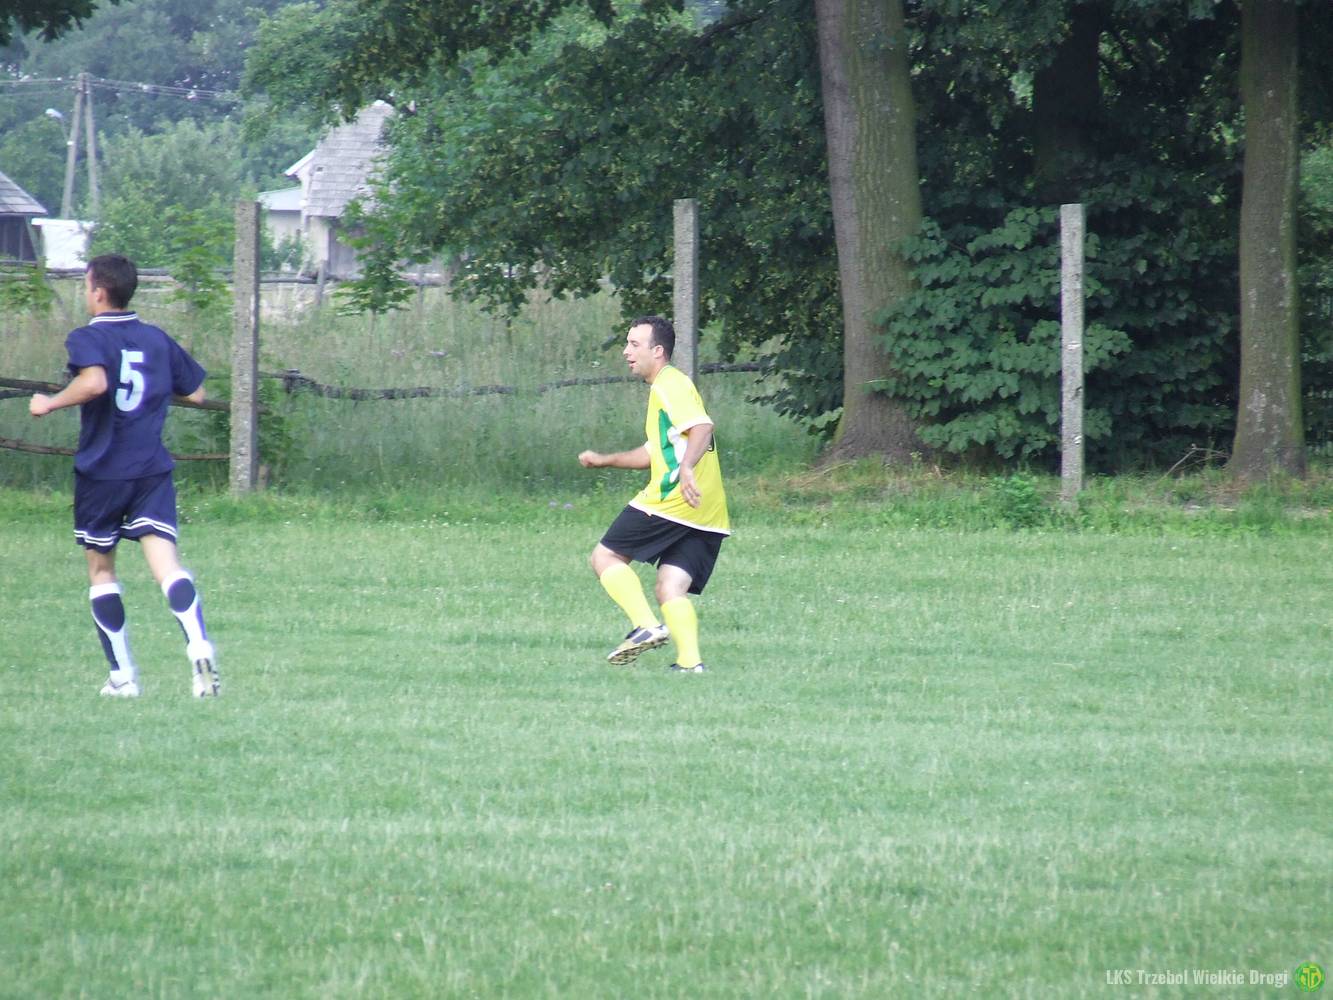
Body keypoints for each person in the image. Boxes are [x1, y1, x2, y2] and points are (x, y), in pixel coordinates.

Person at [29, 254, 219, 698]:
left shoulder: (87, 337)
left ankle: (123, 677)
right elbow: (197, 393)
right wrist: (154, 390)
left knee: (101, 571)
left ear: (98, 291)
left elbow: (95, 383)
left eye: (86, 285)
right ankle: (199, 647)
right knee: (168, 567)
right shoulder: (155, 338)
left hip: (102, 472)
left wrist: (49, 403)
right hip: (151, 469)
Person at [578, 315, 730, 673]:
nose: (626, 352)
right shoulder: (669, 388)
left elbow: (703, 427)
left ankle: (645, 626)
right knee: (670, 586)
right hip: (707, 510)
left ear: (658, 351)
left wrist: (687, 468)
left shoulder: (669, 384)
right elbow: (654, 453)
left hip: (673, 498)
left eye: (634, 344)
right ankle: (690, 665)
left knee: (605, 557)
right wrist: (606, 460)